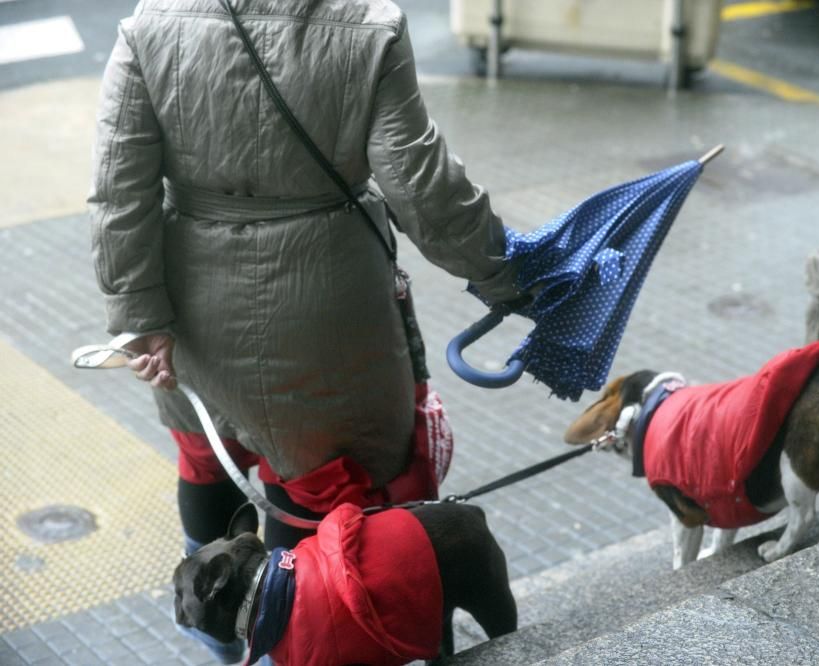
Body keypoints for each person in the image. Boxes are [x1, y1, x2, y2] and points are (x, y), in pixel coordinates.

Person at [89, 0, 520, 661]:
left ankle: (223, 639)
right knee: (326, 491)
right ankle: (313, 635)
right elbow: (419, 185)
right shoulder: (368, 27)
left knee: (208, 459)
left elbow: (119, 186)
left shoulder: (152, 22)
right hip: (325, 312)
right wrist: (503, 271)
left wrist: (140, 317)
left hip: (190, 312)